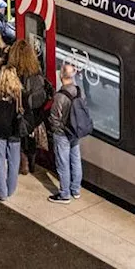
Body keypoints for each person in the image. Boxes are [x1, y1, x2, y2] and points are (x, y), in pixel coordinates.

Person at [47, 62, 87, 203]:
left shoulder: (60, 96)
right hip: (75, 131)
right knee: (75, 159)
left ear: (61, 75)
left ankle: (64, 194)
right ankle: (75, 189)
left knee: (63, 163)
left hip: (62, 133)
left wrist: (55, 130)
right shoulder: (79, 90)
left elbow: (54, 117)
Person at [9, 39, 49, 176]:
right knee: (30, 135)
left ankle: (23, 163)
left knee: (20, 133)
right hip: (36, 109)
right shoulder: (36, 69)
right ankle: (32, 162)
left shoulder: (14, 71)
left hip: (21, 108)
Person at [0, 66, 25, 201]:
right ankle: (11, 188)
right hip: (14, 131)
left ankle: (1, 192)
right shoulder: (19, 93)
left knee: (0, 161)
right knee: (14, 161)